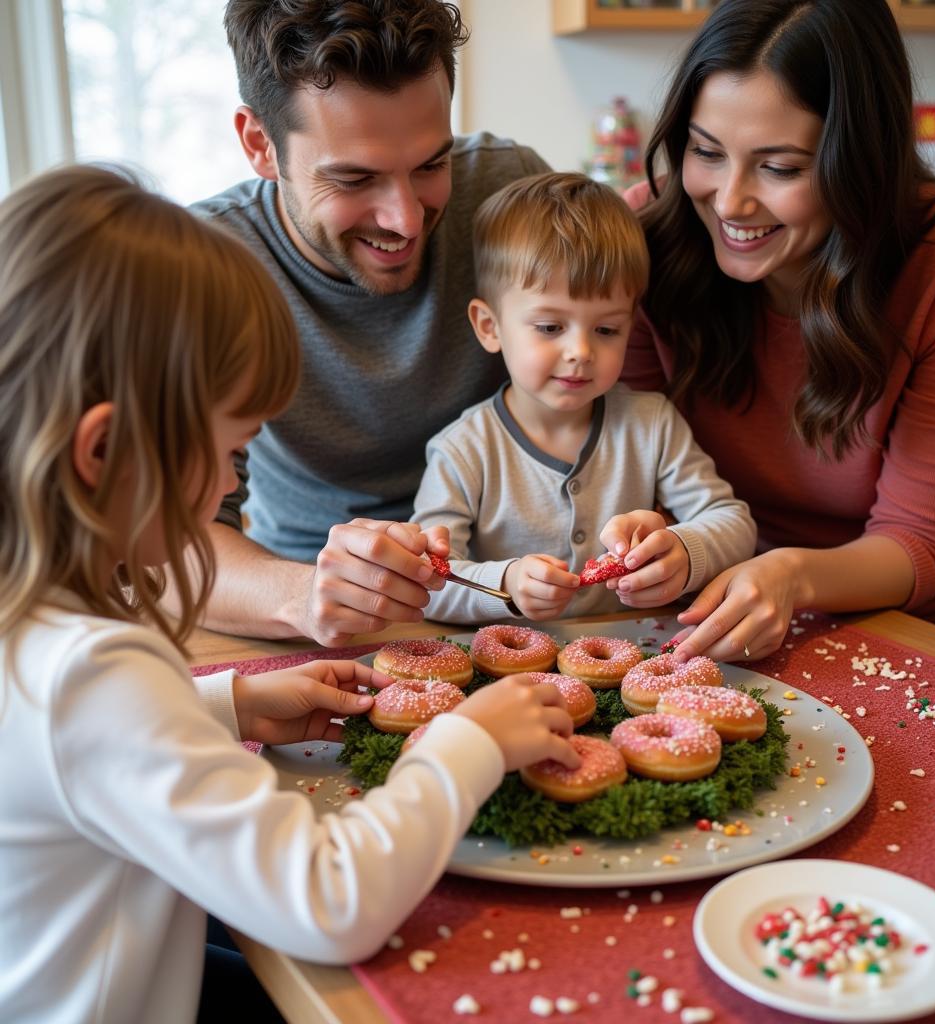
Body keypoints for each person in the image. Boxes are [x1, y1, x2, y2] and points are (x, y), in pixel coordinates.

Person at [0, 165, 579, 1024]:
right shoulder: (92, 669)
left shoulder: (38, 630)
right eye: (231, 453)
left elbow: (78, 759)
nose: (229, 485)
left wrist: (227, 703)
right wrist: (464, 744)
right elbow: (328, 903)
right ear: (105, 448)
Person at [621, 0, 935, 658]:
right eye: (706, 152)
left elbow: (917, 542)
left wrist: (790, 572)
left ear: (861, 160)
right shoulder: (649, 236)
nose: (729, 202)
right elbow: (636, 470)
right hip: (734, 587)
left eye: (780, 168)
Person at [191, 0, 550, 647]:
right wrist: (302, 595)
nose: (406, 220)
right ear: (258, 144)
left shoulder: (510, 193)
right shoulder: (208, 266)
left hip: (507, 592)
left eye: (431, 165)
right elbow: (165, 549)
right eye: (354, 178)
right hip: (305, 617)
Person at [412, 172, 756, 623]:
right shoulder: (462, 450)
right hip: (507, 677)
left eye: (606, 329)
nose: (581, 352)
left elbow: (733, 523)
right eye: (551, 327)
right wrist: (507, 585)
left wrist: (684, 552)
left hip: (639, 663)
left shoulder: (652, 424)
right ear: (489, 326)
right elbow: (427, 579)